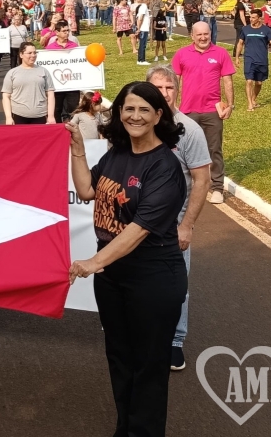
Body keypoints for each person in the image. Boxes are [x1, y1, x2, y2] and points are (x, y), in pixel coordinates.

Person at [67, 81, 187, 437]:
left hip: (153, 278)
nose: (135, 116)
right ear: (119, 112)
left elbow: (137, 230)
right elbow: (88, 190)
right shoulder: (117, 153)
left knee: (148, 367)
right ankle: (126, 428)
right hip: (113, 279)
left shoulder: (164, 166)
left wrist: (93, 261)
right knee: (120, 360)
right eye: (128, 109)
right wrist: (77, 150)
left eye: (143, 110)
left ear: (158, 116)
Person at [146, 66, 211, 371]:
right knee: (139, 284)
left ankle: (174, 341)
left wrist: (187, 226)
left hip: (173, 229)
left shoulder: (189, 131)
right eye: (157, 88)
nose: (164, 94)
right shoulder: (135, 126)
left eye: (169, 88)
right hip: (138, 227)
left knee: (176, 288)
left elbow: (202, 181)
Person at [171, 21, 235, 204]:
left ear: (210, 34)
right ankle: (184, 185)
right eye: (199, 34)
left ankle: (216, 187)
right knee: (182, 150)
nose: (203, 37)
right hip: (187, 112)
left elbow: (227, 81)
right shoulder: (182, 54)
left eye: (206, 34)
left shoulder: (220, 53)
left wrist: (230, 105)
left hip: (212, 112)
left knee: (214, 149)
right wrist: (172, 107)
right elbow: (174, 82)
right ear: (192, 36)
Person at [235, 9, 271, 111]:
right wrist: (237, 57)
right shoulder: (245, 29)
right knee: (249, 81)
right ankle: (250, 104)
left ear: (259, 18)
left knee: (259, 83)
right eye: (250, 17)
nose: (251, 19)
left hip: (262, 59)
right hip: (249, 59)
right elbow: (240, 43)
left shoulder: (266, 30)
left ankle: (253, 99)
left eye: (253, 17)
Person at [1, 43, 55, 125]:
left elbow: (50, 94)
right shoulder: (12, 73)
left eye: (35, 52)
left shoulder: (44, 71)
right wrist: (8, 117)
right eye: (29, 53)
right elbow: (6, 96)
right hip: (18, 116)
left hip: (40, 115)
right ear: (21, 55)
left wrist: (51, 116)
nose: (33, 55)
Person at [134, 0, 152, 65]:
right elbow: (140, 18)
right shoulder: (144, 7)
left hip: (144, 29)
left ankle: (141, 59)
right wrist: (139, 28)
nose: (149, 1)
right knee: (142, 44)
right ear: (146, 0)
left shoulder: (144, 7)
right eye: (149, 0)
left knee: (143, 44)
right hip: (143, 29)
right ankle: (141, 60)